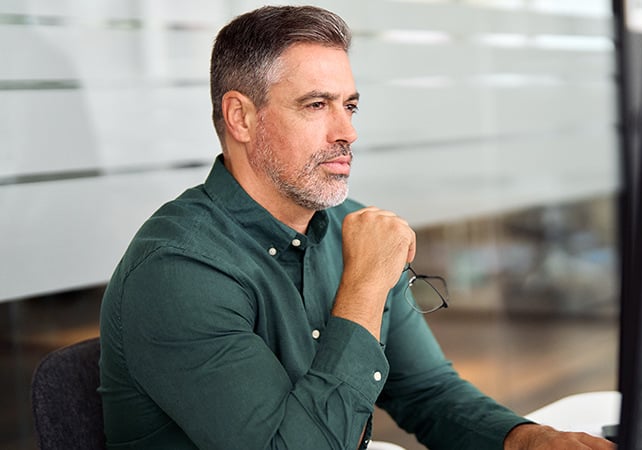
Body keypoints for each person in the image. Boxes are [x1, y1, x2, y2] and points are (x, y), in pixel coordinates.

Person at [98, 5, 615, 450]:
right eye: (316, 105)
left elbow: (426, 391)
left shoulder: (349, 226)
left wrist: (525, 438)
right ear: (241, 117)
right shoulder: (177, 270)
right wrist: (365, 285)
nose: (348, 132)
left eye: (349, 106)